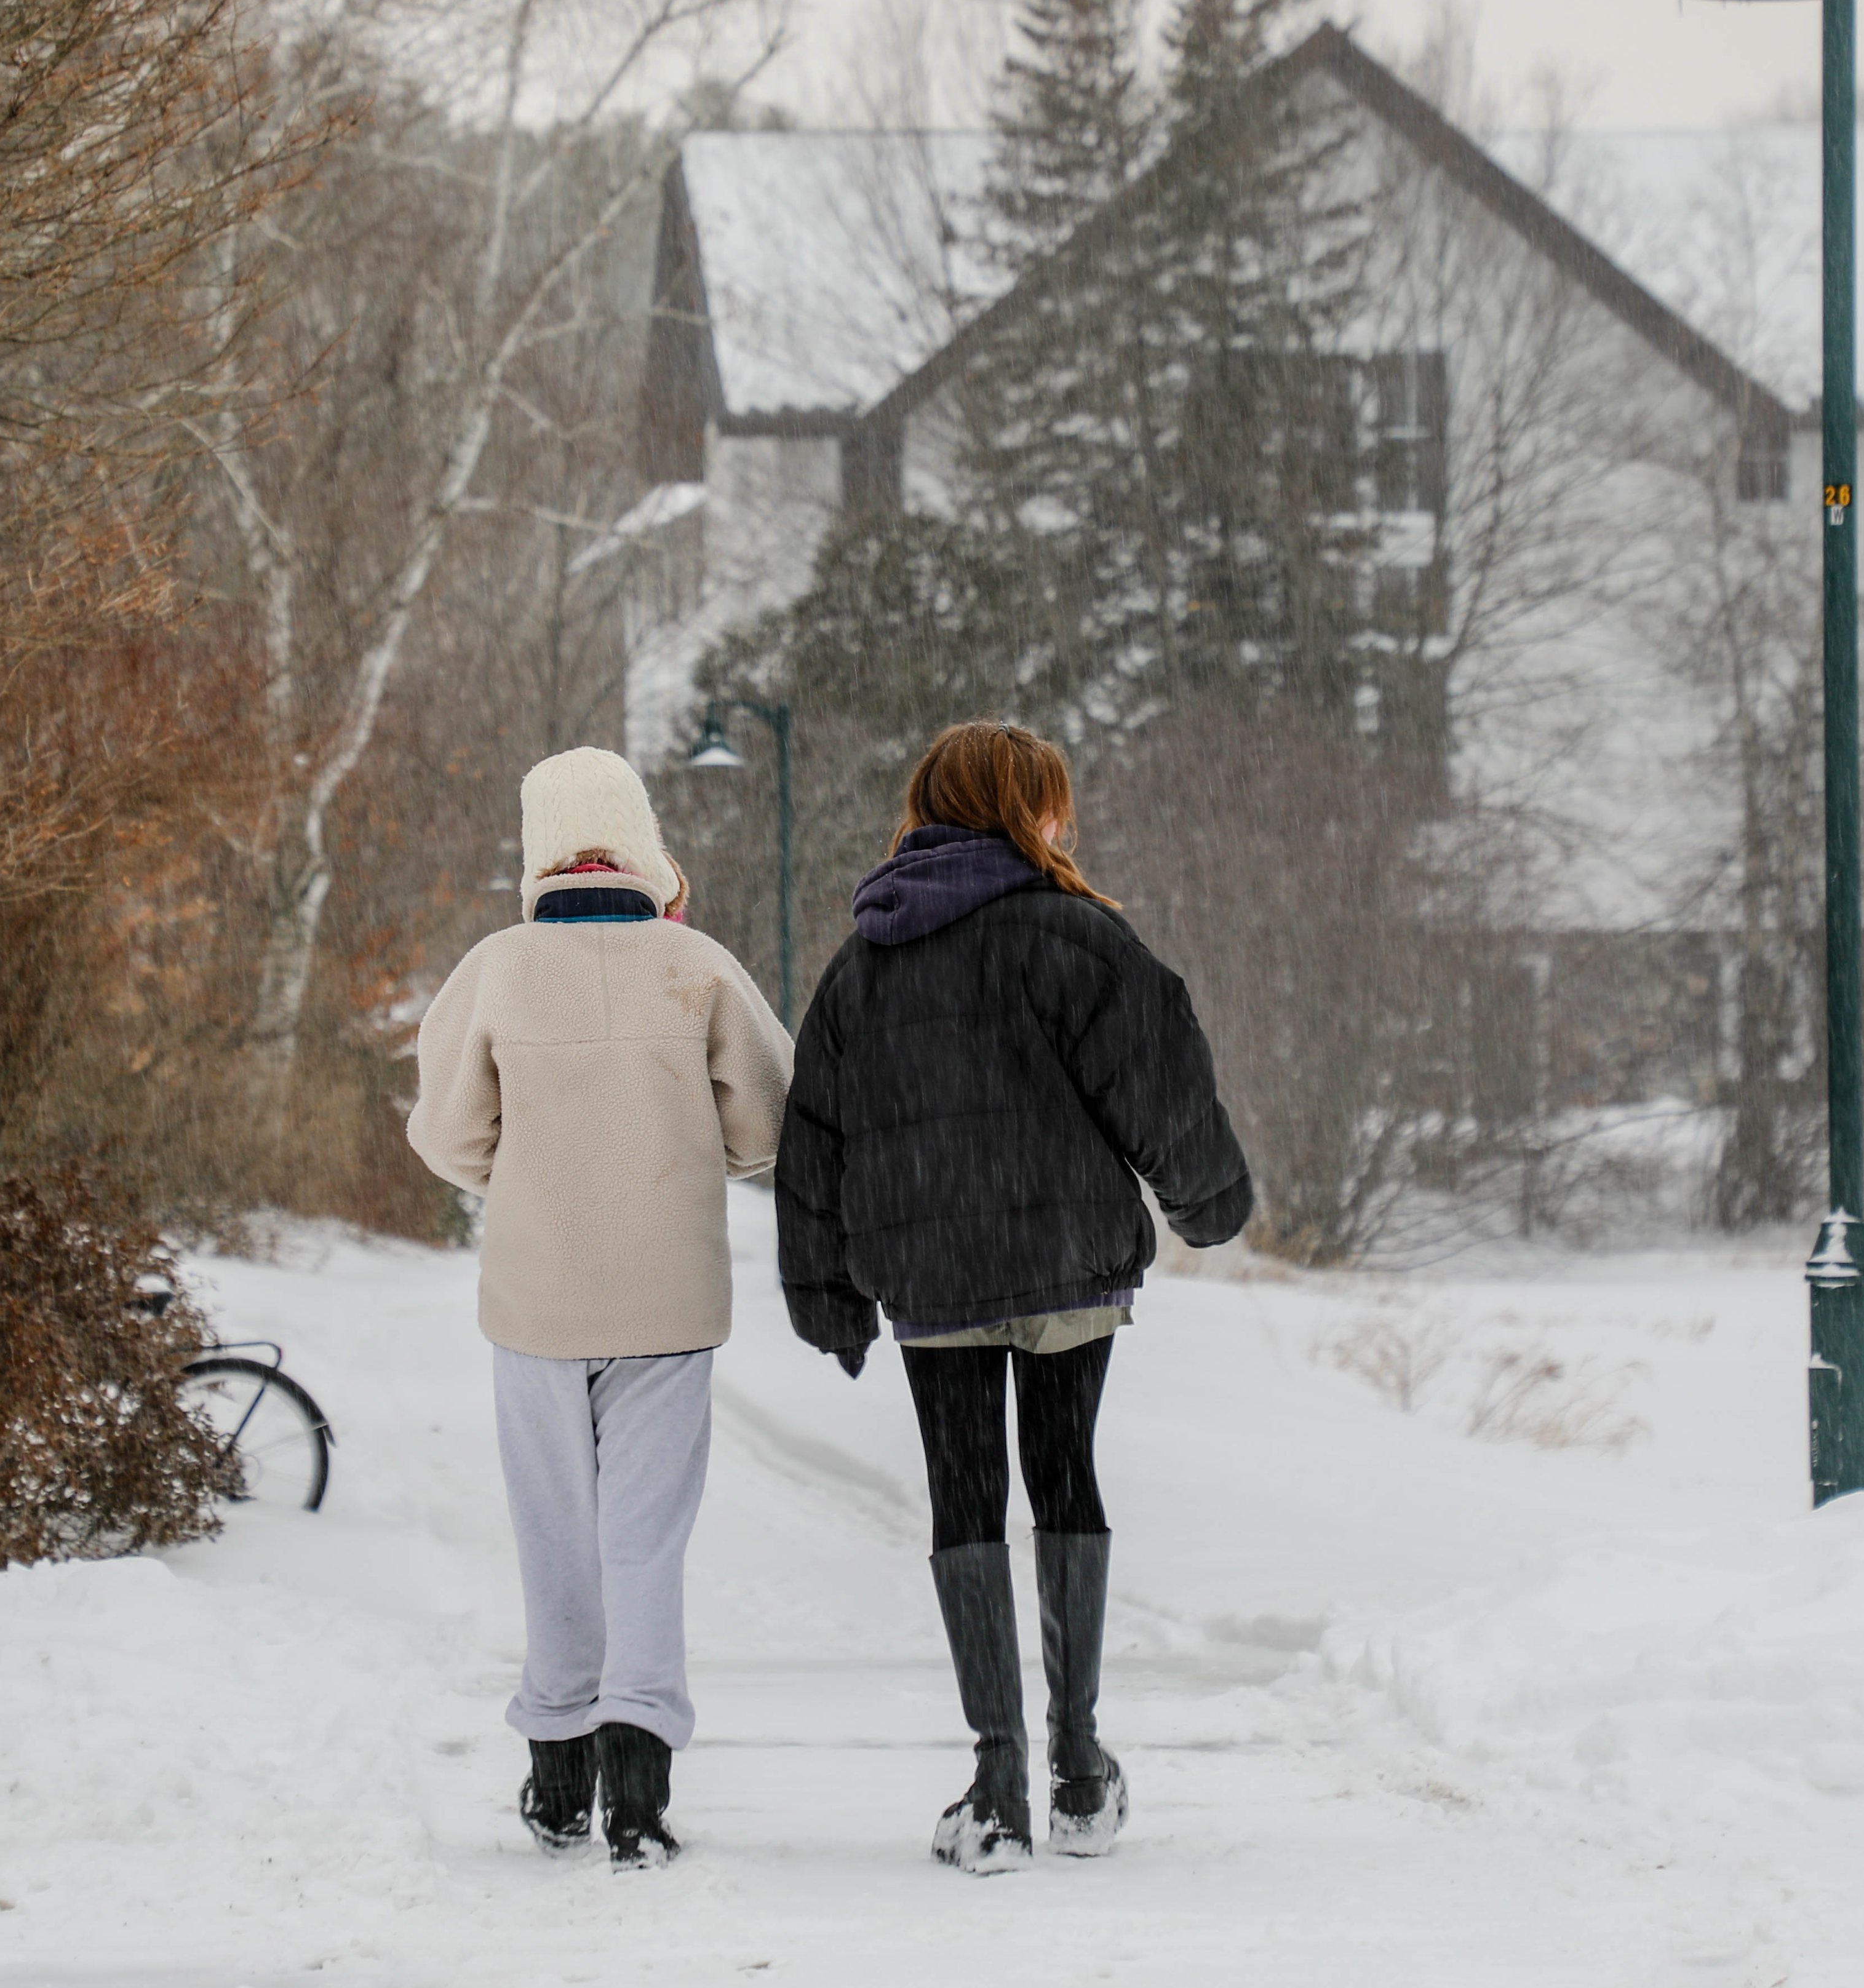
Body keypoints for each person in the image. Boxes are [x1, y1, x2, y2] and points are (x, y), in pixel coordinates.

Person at [776, 721, 1251, 1873]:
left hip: (930, 1275)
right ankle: (1079, 1771)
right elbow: (1161, 1076)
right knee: (1065, 1472)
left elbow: (816, 1137)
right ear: (1028, 808)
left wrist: (823, 1285)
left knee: (965, 1494)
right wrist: (1207, 1202)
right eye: (1054, 802)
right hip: (1066, 1264)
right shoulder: (1076, 937)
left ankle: (995, 1792)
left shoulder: (868, 958)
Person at [408, 746, 795, 1867]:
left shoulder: (496, 970)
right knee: (646, 1542)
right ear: (643, 843)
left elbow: (446, 1134)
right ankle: (639, 1778)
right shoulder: (700, 968)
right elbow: (767, 1125)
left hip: (534, 1299)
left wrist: (528, 1174)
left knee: (554, 1536)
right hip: (668, 1302)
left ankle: (555, 1769)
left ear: (537, 851)